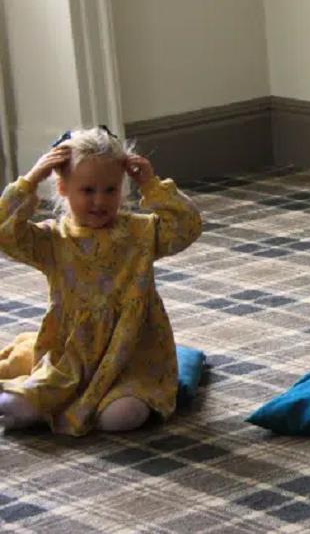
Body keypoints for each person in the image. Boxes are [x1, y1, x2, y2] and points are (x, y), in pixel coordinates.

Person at [0, 126, 202, 436]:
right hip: (70, 361)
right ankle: (36, 380)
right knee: (13, 407)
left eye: (110, 190)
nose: (100, 201)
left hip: (130, 359)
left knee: (121, 419)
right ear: (64, 188)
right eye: (88, 190)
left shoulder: (140, 232)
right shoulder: (52, 240)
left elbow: (188, 226)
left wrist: (152, 184)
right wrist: (30, 181)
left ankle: (75, 404)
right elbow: (5, 231)